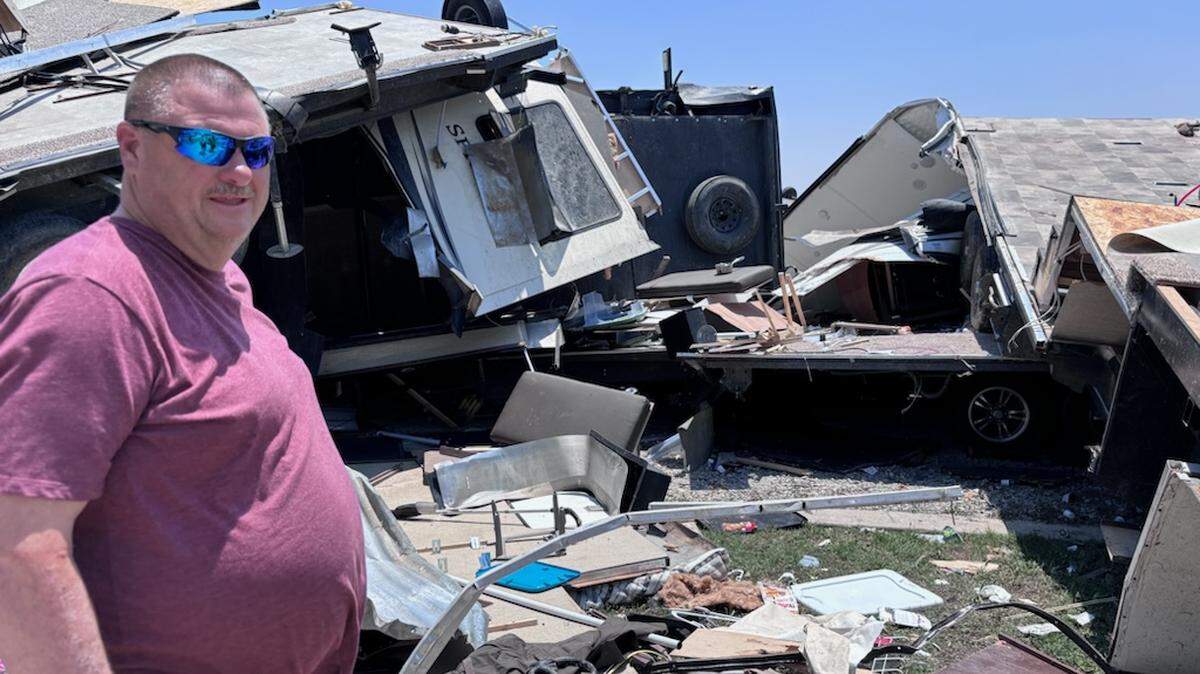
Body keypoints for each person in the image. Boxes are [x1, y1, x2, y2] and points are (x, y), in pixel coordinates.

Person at [0, 54, 365, 673]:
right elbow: (19, 544)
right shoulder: (90, 293)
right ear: (132, 148)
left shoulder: (221, 280)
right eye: (206, 144)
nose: (238, 171)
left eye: (256, 152)